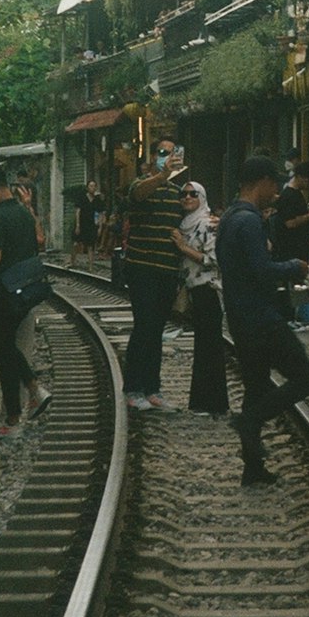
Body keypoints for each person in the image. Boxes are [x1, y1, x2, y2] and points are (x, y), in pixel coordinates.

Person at [216, 155, 309, 486]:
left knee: (256, 387)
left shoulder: (231, 216)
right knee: (305, 378)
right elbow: (261, 272)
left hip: (240, 317)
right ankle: (249, 422)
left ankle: (253, 468)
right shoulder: (249, 221)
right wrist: (293, 266)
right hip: (260, 317)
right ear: (260, 181)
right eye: (273, 183)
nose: (276, 190)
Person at [0, 162, 51, 439]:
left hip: (1, 293)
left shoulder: (0, 217)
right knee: (7, 351)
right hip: (24, 292)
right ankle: (26, 400)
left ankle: (22, 407)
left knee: (4, 350)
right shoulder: (23, 214)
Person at [122, 137, 186, 411]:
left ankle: (152, 388)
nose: (167, 157)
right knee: (144, 326)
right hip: (142, 268)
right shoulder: (141, 184)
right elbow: (137, 195)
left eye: (171, 153)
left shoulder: (176, 193)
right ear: (152, 158)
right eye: (162, 153)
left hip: (167, 270)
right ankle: (133, 388)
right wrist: (162, 175)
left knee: (157, 329)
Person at [171, 181, 229, 416]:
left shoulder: (207, 223)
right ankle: (201, 402)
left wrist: (183, 248)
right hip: (194, 289)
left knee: (210, 346)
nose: (187, 198)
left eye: (193, 194)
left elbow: (214, 260)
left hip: (208, 289)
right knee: (203, 345)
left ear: (202, 197)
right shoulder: (185, 224)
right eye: (183, 194)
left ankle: (213, 404)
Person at [271, 161, 309, 263]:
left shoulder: (297, 194)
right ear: (299, 177)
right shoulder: (289, 195)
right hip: (292, 249)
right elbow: (290, 222)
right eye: (307, 181)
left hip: (298, 247)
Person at [72, 180, 104, 269]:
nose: (92, 188)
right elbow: (78, 211)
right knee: (75, 243)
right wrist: (77, 225)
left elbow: (101, 213)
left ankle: (90, 266)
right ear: (87, 187)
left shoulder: (97, 200)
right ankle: (72, 262)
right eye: (91, 186)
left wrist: (100, 227)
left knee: (91, 246)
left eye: (94, 186)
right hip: (81, 223)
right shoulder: (82, 198)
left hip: (91, 225)